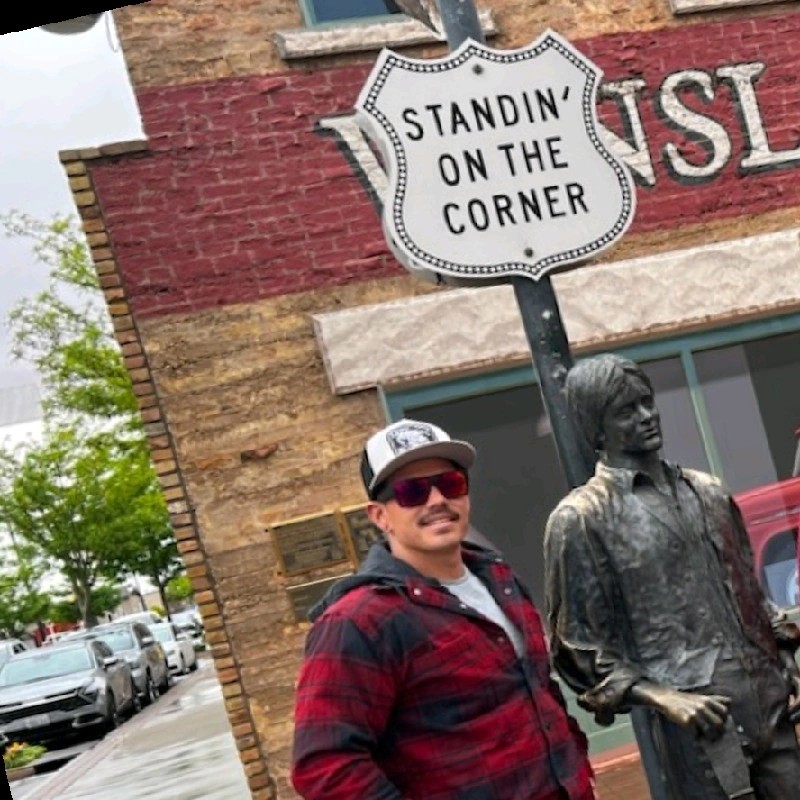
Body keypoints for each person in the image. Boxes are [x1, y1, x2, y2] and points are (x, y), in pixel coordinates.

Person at [291, 418, 597, 800]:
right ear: (379, 515)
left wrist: (578, 770)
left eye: (450, 484)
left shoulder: (498, 578)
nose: (437, 501)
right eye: (412, 491)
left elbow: (538, 689)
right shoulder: (359, 621)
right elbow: (323, 767)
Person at [544, 353, 800, 800]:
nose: (646, 417)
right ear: (595, 428)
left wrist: (785, 655)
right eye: (626, 411)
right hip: (699, 733)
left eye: (647, 402)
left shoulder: (709, 491)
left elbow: (751, 597)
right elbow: (578, 649)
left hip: (770, 709)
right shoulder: (583, 518)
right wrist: (662, 698)